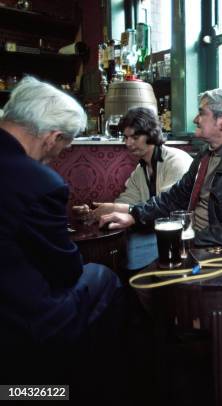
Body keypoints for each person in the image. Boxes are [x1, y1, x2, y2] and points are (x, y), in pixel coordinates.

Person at [0, 77, 123, 389]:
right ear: (52, 137)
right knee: (101, 276)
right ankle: (86, 387)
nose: (56, 158)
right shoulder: (39, 182)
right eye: (61, 149)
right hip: (18, 320)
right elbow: (65, 272)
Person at [100, 88, 222, 246]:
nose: (196, 119)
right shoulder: (207, 153)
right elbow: (176, 197)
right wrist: (134, 215)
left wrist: (185, 238)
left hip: (219, 250)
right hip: (198, 240)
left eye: (202, 113)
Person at [73, 107, 193, 269]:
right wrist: (94, 213)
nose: (128, 143)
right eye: (126, 137)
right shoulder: (140, 170)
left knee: (127, 255)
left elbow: (169, 208)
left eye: (135, 137)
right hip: (154, 232)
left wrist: (116, 208)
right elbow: (127, 201)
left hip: (179, 237)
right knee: (117, 253)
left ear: (151, 135)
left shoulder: (176, 161)